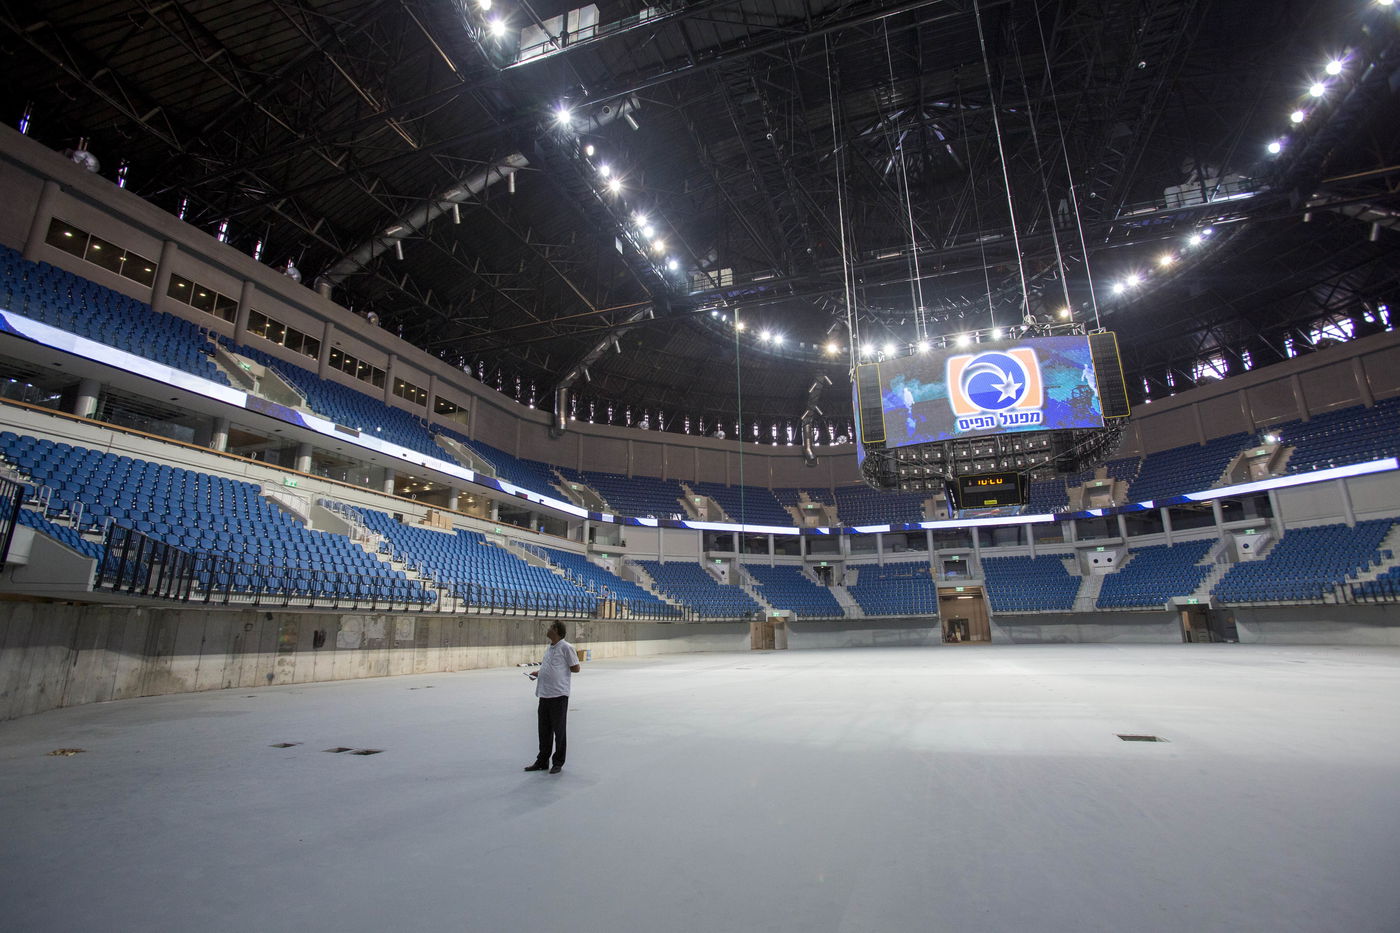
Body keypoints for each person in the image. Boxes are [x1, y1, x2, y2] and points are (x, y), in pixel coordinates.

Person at [524, 620, 580, 774]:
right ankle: (542, 761)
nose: (547, 629)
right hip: (545, 694)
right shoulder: (549, 648)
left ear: (556, 630)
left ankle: (558, 762)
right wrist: (539, 673)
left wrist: (559, 674)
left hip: (559, 694)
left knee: (559, 731)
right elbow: (549, 667)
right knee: (544, 730)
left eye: (550, 627)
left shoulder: (567, 648)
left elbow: (576, 668)